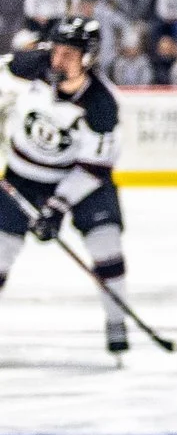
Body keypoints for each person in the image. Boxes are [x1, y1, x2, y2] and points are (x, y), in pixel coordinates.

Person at [0, 19, 133, 356]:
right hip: (21, 176)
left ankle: (116, 321)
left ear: (88, 58)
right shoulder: (28, 65)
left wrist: (57, 206)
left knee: (106, 241)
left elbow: (94, 168)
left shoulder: (102, 103)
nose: (58, 60)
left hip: (77, 179)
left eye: (69, 54)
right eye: (56, 50)